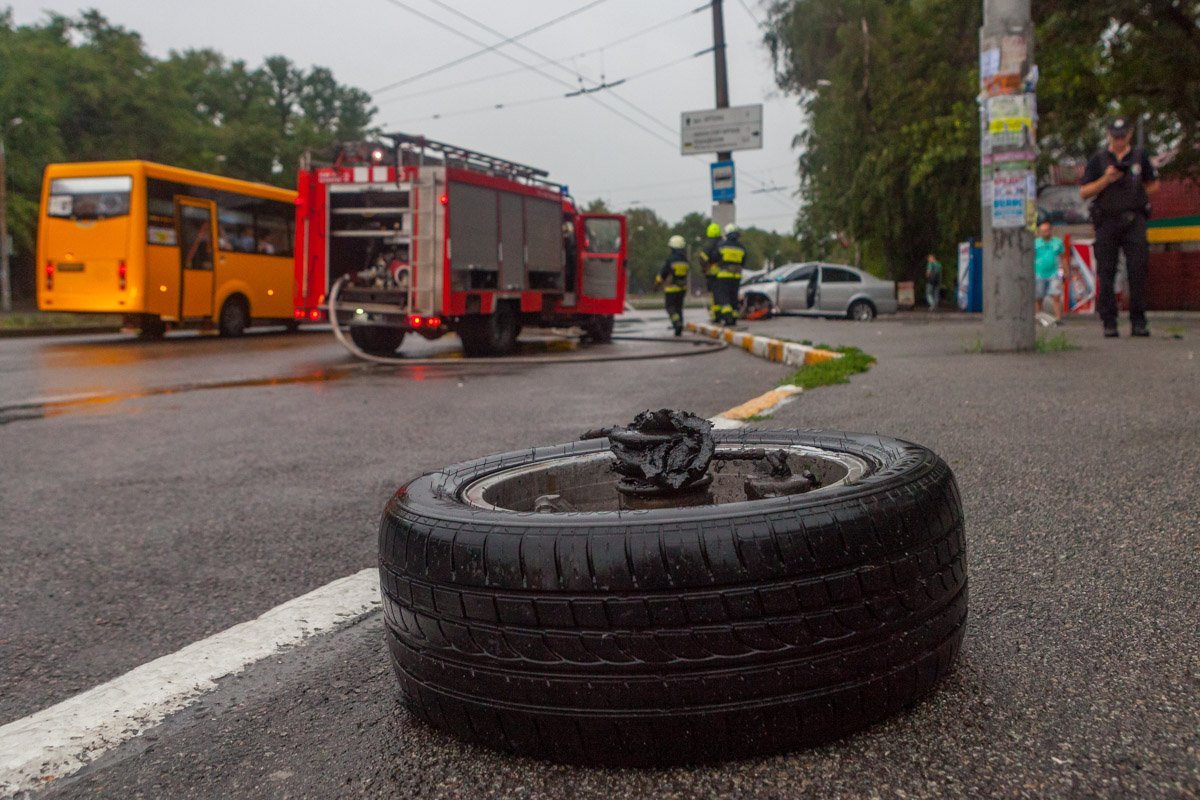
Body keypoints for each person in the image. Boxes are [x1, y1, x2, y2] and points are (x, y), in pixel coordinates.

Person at [1080, 116, 1160, 337]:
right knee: (1106, 272)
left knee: (1138, 270)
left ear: (1130, 135)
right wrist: (1107, 179)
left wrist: (1136, 187)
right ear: (1108, 136)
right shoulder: (1099, 159)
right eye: (1115, 137)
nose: (1119, 141)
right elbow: (1084, 192)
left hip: (1134, 219)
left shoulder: (1139, 157)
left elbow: (1154, 185)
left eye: (1122, 136)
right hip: (1107, 220)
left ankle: (1138, 321)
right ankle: (1109, 321)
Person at [654, 235, 690, 336]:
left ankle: (676, 323)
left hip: (671, 288)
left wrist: (656, 284)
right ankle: (680, 326)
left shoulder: (671, 259)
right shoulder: (685, 260)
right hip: (682, 288)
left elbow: (663, 274)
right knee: (679, 307)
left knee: (670, 307)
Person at [1034, 221, 1066, 324]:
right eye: (1042, 231)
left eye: (1047, 230)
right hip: (1039, 273)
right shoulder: (1036, 243)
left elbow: (1063, 257)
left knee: (1056, 296)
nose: (1045, 233)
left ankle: (1058, 318)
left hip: (1054, 273)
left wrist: (1065, 271)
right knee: (1038, 297)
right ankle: (1040, 317)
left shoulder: (1057, 243)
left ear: (1051, 231)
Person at [715, 224, 746, 326]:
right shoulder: (742, 247)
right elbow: (743, 262)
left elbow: (715, 257)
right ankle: (734, 318)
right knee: (733, 297)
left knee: (723, 297)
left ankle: (728, 317)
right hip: (736, 277)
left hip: (724, 275)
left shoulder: (722, 245)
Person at [698, 223, 723, 322]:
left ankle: (716, 316)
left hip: (712, 274)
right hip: (724, 274)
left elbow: (702, 258)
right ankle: (722, 315)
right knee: (723, 295)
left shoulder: (708, 245)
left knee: (714, 296)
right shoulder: (723, 243)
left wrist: (705, 268)